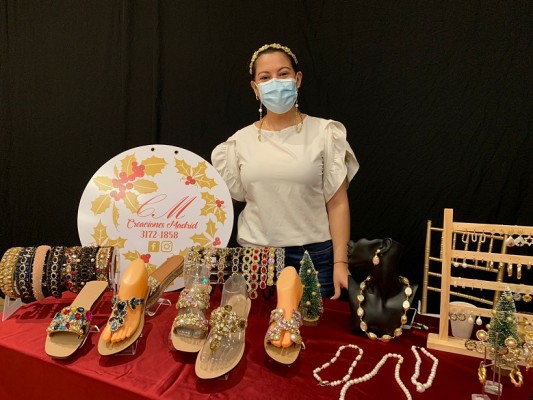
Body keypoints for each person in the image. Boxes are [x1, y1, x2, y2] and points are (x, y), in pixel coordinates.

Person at [211, 43, 359, 299]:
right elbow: (222, 205)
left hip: (313, 259)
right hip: (255, 259)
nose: (275, 83)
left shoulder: (325, 133)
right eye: (265, 77)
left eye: (283, 74)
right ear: (255, 88)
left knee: (314, 325)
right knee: (256, 324)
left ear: (297, 79)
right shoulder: (237, 143)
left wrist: (340, 263)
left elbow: (337, 203)